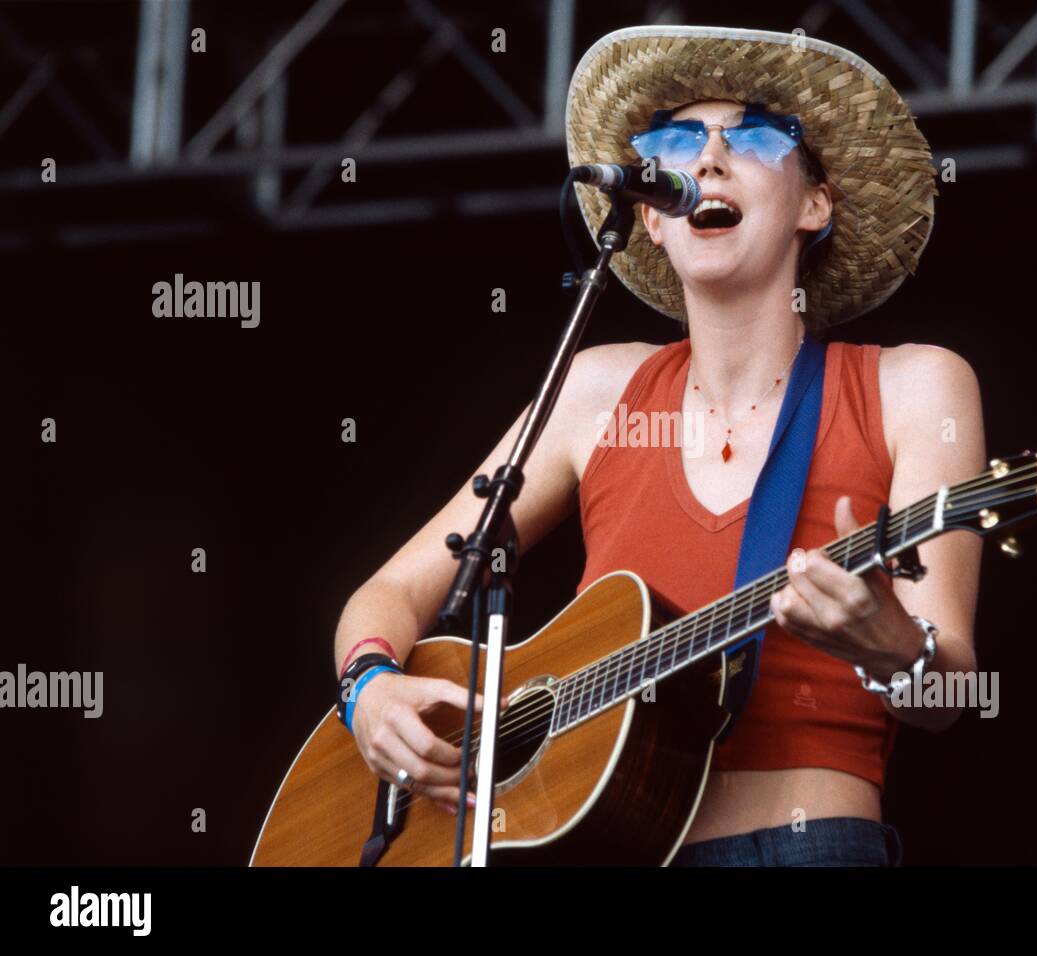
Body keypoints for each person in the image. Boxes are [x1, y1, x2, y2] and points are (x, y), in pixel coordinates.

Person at [332, 25, 984, 867]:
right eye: (676, 140)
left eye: (752, 134)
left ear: (815, 205)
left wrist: (889, 643)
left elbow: (952, 691)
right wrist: (369, 689)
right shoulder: (596, 390)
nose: (707, 159)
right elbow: (389, 590)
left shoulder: (915, 386)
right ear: (650, 213)